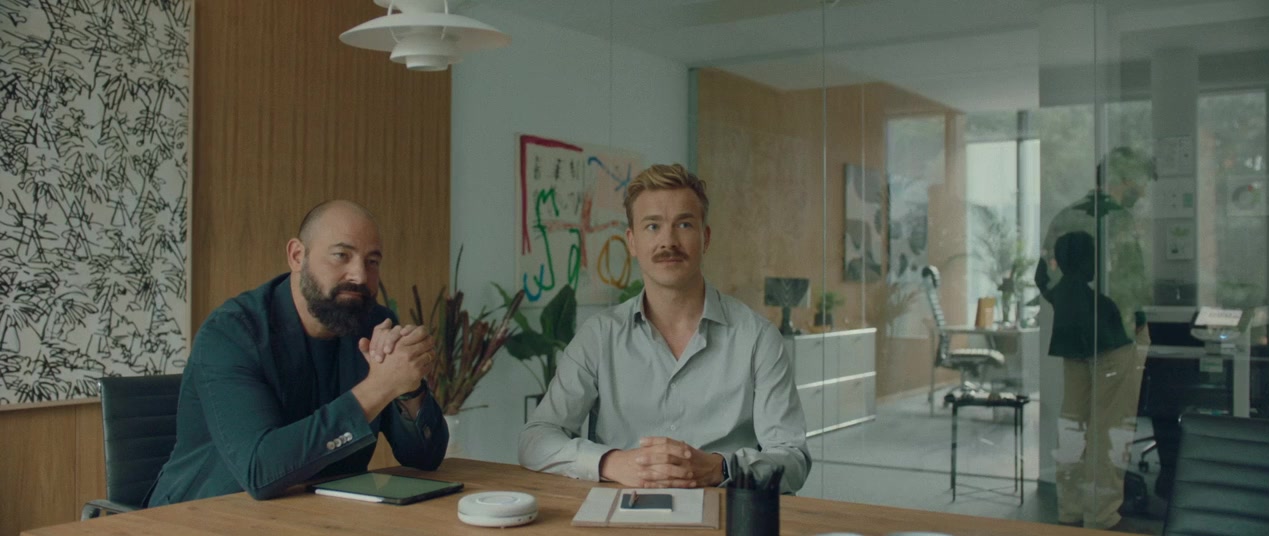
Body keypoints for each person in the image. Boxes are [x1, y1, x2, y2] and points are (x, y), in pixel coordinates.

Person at [518, 163, 811, 493]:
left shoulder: (758, 338)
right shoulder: (599, 336)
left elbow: (792, 459)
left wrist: (719, 468)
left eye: (684, 224)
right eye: (652, 226)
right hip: (620, 512)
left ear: (705, 237)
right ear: (632, 241)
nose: (668, 241)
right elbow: (535, 439)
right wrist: (612, 462)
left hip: (726, 510)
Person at [148, 200, 449, 506]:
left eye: (372, 261)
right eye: (341, 255)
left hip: (320, 511)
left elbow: (425, 457)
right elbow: (259, 470)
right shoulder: (231, 334)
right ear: (296, 255)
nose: (359, 275)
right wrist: (379, 388)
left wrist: (408, 386)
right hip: (201, 512)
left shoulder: (374, 324)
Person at [1037, 231, 1146, 532]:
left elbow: (1041, 277)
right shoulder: (1116, 225)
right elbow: (1131, 300)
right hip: (1112, 344)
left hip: (1073, 345)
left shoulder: (1063, 227)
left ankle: (1070, 510)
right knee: (1108, 428)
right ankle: (1101, 517)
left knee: (1073, 424)